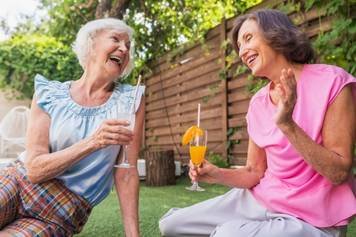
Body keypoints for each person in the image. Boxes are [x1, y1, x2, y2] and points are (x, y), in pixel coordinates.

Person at [159, 9, 355, 237]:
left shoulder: (333, 82)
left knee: (228, 234)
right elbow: (254, 171)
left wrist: (287, 125)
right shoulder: (258, 103)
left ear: (276, 34)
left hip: (311, 217)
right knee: (171, 225)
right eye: (239, 46)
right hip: (259, 200)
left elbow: (339, 172)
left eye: (248, 38)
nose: (242, 51)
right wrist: (216, 173)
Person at [0, 18, 144, 237]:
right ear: (91, 44)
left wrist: (134, 235)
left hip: (61, 210)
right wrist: (93, 142)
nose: (124, 49)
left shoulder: (131, 100)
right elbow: (35, 170)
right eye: (116, 39)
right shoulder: (48, 94)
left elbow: (126, 173)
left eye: (128, 46)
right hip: (18, 182)